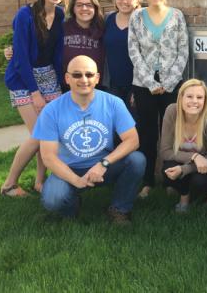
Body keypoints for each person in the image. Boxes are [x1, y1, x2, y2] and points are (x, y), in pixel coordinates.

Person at [33, 55, 145, 223]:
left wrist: (103, 164)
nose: (84, 80)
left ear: (97, 78)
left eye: (89, 74)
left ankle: (119, 209)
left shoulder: (113, 103)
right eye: (77, 75)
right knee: (53, 199)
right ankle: (71, 205)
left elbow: (132, 140)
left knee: (137, 160)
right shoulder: (51, 110)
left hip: (103, 166)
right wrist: (76, 180)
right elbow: (48, 157)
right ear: (67, 78)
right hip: (69, 168)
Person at [1, 0, 67, 196]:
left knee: (50, 134)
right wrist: (34, 92)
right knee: (40, 135)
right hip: (23, 78)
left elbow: (57, 53)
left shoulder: (60, 14)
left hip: (49, 76)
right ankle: (9, 185)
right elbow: (20, 57)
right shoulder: (25, 14)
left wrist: (60, 82)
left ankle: (40, 182)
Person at [128, 0, 189, 198]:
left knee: (172, 132)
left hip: (172, 85)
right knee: (147, 133)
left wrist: (169, 81)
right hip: (143, 85)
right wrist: (151, 83)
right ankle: (147, 181)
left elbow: (183, 51)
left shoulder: (176, 16)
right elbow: (133, 52)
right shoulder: (136, 16)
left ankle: (171, 180)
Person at [159, 79, 207, 212]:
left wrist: (185, 169)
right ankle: (184, 196)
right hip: (183, 159)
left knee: (201, 181)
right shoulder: (172, 111)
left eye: (199, 97)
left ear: (205, 100)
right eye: (189, 96)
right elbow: (165, 151)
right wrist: (194, 156)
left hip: (206, 164)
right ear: (181, 98)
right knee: (168, 169)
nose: (194, 101)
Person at [104, 0, 140, 109]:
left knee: (134, 125)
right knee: (113, 125)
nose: (124, 1)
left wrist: (138, 89)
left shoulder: (141, 22)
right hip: (112, 85)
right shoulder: (108, 19)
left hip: (136, 85)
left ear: (136, 1)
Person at [62, 0, 105, 91]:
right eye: (79, 5)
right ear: (73, 8)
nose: (84, 8)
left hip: (95, 88)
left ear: (95, 8)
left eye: (89, 5)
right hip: (66, 88)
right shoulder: (63, 28)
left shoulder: (103, 29)